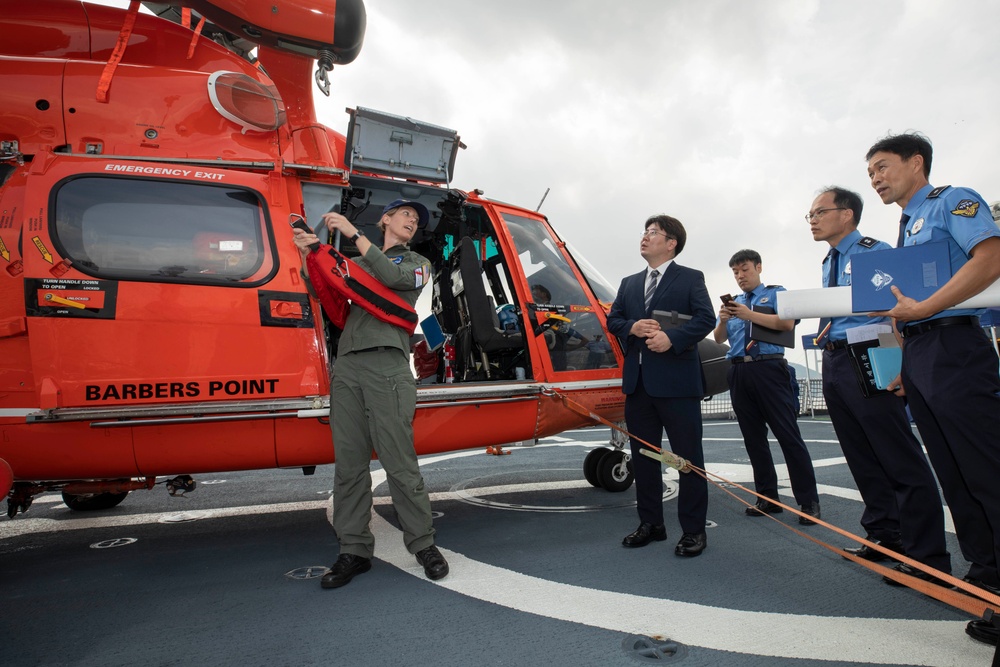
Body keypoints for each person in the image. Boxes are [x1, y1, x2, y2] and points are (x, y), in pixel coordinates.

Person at [866, 132, 1000, 646]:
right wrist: (902, 361)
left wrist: (924, 310)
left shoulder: (951, 202)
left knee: (986, 469)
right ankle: (986, 573)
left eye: (882, 167)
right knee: (954, 472)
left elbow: (989, 257)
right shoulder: (905, 227)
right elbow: (907, 304)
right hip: (921, 353)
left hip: (954, 347)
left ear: (916, 162)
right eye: (870, 172)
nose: (876, 178)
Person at [293, 199, 449, 589]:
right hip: (347, 366)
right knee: (349, 465)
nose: (412, 221)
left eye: (417, 219)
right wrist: (307, 254)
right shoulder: (355, 265)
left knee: (399, 461)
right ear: (386, 219)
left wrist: (353, 233)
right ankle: (354, 549)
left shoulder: (417, 263)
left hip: (388, 367)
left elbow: (392, 279)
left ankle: (423, 543)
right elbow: (323, 288)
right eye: (405, 215)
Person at [807, 186, 950, 580]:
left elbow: (898, 310)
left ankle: (925, 554)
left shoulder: (875, 251)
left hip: (873, 351)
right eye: (810, 215)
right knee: (862, 455)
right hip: (835, 357)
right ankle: (886, 535)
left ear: (847, 214)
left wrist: (902, 362)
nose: (813, 220)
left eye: (819, 212)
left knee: (897, 454)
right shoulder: (829, 260)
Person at [607, 214, 715, 557]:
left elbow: (706, 319)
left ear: (672, 243)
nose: (645, 237)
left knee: (688, 459)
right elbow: (614, 320)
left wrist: (672, 338)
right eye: (644, 232)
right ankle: (651, 523)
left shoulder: (690, 278)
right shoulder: (628, 283)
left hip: (678, 384)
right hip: (638, 386)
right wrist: (631, 327)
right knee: (644, 457)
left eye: (653, 233)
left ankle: (694, 531)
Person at [713, 250, 821, 525]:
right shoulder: (734, 303)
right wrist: (724, 319)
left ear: (759, 267)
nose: (740, 276)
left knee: (788, 435)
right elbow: (718, 337)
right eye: (735, 272)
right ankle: (767, 498)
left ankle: (808, 502)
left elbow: (786, 323)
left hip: (769, 367)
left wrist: (749, 314)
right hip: (738, 369)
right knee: (753, 439)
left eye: (745, 269)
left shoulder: (776, 294)